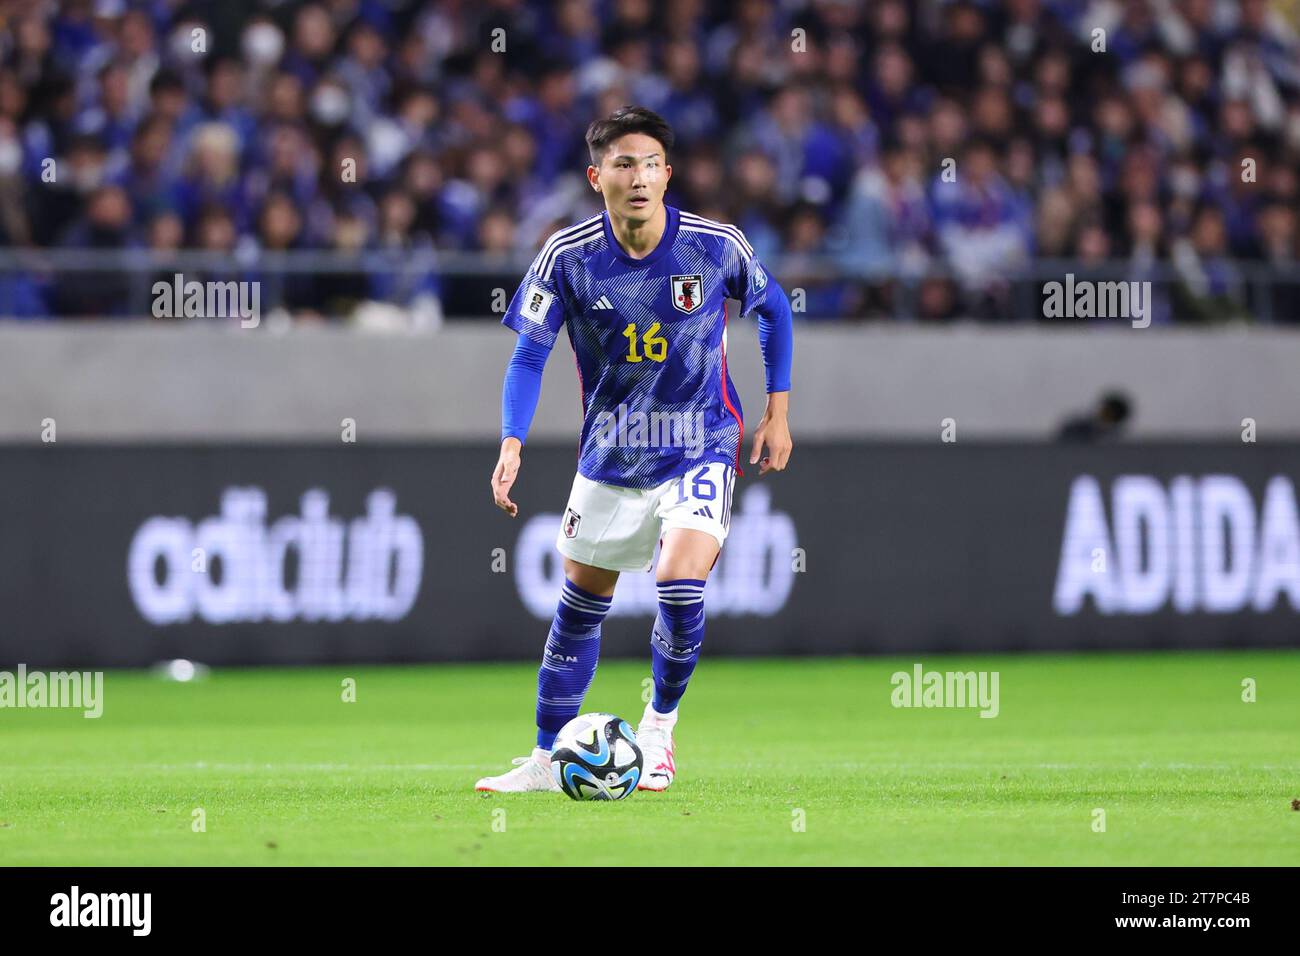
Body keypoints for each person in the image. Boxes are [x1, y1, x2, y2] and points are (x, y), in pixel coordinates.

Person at [478, 106, 794, 793]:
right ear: (598, 177)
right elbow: (528, 355)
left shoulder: (715, 246)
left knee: (679, 583)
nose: (640, 176)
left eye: (652, 163)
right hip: (614, 456)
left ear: (668, 174)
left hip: (701, 442)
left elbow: (774, 309)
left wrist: (778, 413)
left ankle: (659, 728)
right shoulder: (567, 257)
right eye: (624, 163)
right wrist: (512, 442)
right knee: (579, 607)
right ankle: (541, 760)